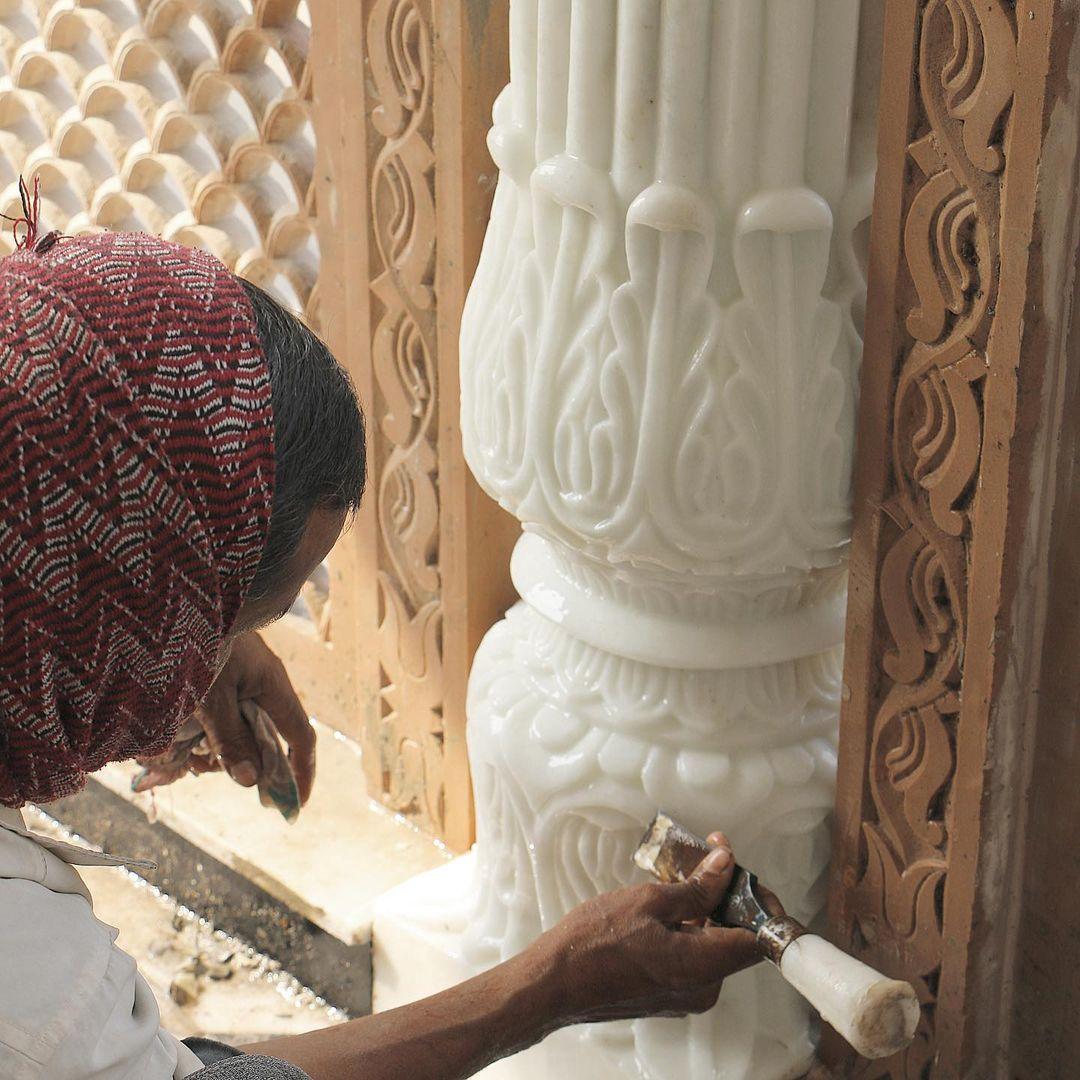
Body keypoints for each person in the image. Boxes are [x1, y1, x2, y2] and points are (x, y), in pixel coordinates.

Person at [0, 217, 759, 1080]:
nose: (224, 660)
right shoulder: (31, 993)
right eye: (231, 618)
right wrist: (554, 986)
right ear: (129, 607)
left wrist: (187, 648)